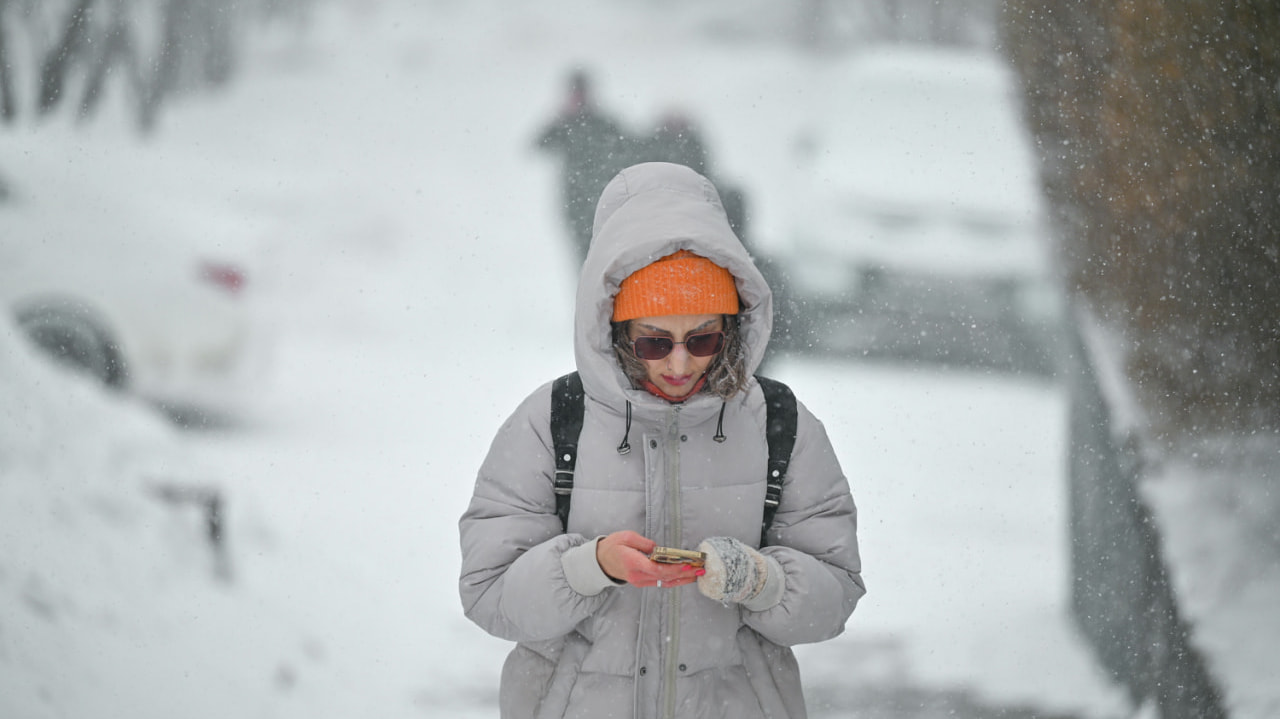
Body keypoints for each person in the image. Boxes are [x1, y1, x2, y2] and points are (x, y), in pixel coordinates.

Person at [458, 162, 864, 719]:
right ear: (616, 330)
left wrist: (765, 583)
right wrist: (589, 566)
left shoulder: (781, 424)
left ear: (732, 328)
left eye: (702, 338)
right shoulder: (554, 421)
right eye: (654, 342)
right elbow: (488, 594)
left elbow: (837, 596)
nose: (679, 363)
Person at [535, 69, 633, 266]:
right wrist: (561, 118)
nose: (578, 97)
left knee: (609, 256)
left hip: (604, 198)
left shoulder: (605, 122)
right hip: (575, 201)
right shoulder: (565, 122)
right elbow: (539, 145)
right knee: (584, 260)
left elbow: (630, 149)